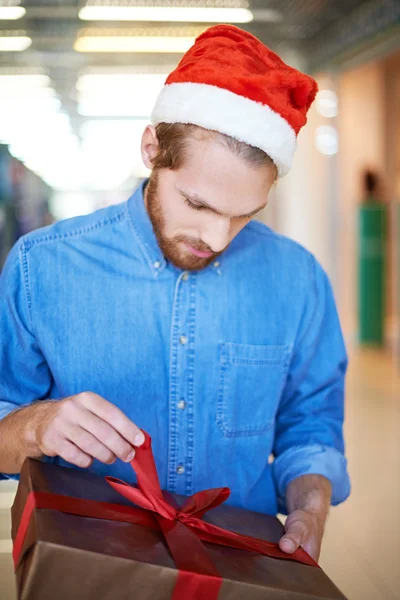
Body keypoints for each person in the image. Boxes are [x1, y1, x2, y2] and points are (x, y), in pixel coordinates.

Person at [0, 25, 350, 562]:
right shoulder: (40, 267)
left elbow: (310, 423)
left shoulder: (297, 279)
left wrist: (310, 503)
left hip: (241, 571)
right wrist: (37, 424)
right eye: (200, 205)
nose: (216, 239)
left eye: (242, 217)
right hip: (84, 571)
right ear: (151, 149)